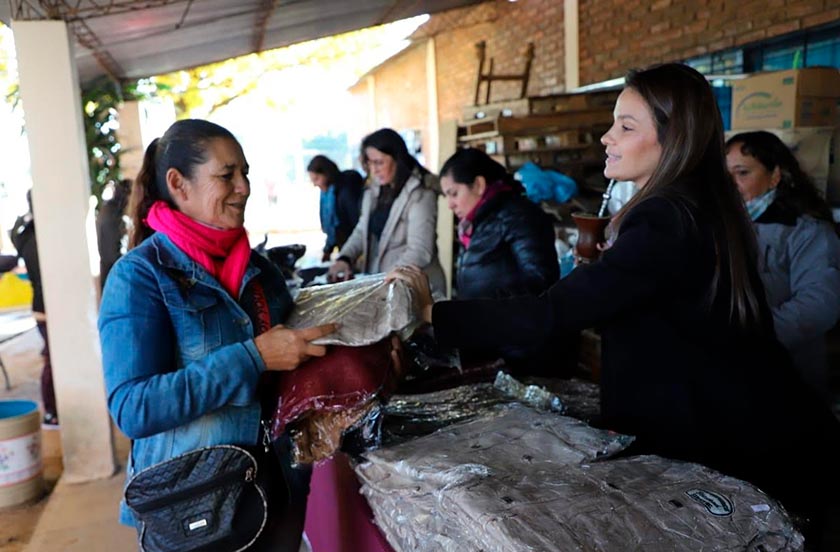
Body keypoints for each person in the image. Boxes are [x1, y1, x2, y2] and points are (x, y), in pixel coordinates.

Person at [390, 63, 840, 546]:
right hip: (746, 421)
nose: (608, 137)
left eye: (626, 126)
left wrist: (434, 312)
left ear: (675, 138)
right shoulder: (697, 204)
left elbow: (552, 314)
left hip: (723, 434)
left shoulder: (666, 216)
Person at [98, 119, 335, 550]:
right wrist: (252, 359)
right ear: (178, 184)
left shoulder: (259, 271)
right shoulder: (140, 276)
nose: (243, 187)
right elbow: (133, 407)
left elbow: (292, 357)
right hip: (191, 507)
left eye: (244, 172)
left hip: (271, 490)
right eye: (227, 175)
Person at [726, 131, 840, 404]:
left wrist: (753, 338)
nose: (731, 184)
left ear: (775, 176)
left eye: (742, 173)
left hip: (786, 373)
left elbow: (819, 303)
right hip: (728, 373)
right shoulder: (723, 227)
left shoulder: (807, 232)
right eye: (725, 175)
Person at [328, 128, 446, 296]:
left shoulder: (421, 195)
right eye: (370, 163)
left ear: (397, 159)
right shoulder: (374, 191)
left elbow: (419, 251)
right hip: (386, 286)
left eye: (379, 162)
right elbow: (362, 230)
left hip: (417, 291)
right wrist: (345, 258)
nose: (374, 169)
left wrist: (382, 280)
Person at [441, 148, 558, 300]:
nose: (450, 205)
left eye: (454, 194)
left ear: (478, 185)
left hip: (510, 321)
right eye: (447, 197)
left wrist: (486, 308)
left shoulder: (519, 217)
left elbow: (541, 281)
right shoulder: (476, 224)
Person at [10, 190, 58, 427]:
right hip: (49, 307)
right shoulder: (43, 236)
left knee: (52, 357)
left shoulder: (26, 234)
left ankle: (53, 410)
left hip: (40, 305)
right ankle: (51, 411)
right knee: (53, 359)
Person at [306, 155, 364, 262]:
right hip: (345, 249)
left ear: (327, 174)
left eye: (317, 179)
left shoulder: (347, 190)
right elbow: (332, 227)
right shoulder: (327, 194)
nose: (315, 184)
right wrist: (328, 249)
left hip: (357, 249)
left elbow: (357, 224)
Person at [96, 178, 131, 291]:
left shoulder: (107, 210)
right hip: (115, 277)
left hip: (108, 273)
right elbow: (114, 253)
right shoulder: (114, 216)